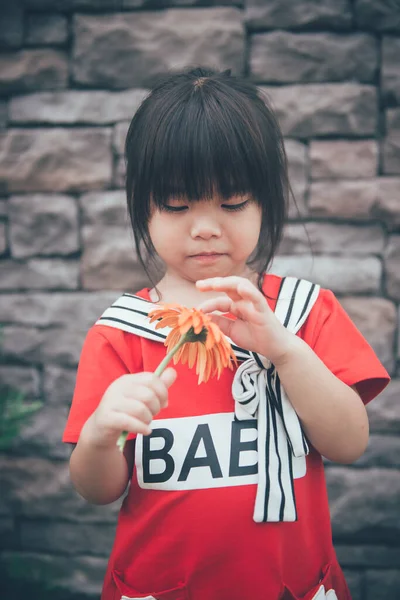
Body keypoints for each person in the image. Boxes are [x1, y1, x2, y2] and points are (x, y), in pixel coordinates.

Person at [63, 67, 390, 600]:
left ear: (267, 201)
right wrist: (102, 432)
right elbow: (96, 489)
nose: (205, 226)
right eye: (177, 204)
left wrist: (284, 350)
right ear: (142, 206)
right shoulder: (121, 334)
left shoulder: (306, 312)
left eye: (233, 202)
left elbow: (350, 443)